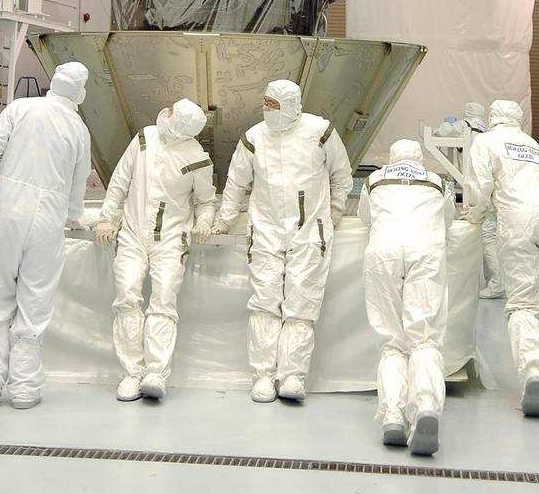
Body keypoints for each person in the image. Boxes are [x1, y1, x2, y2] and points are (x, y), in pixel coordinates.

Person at [0, 60, 91, 410]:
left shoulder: (21, 107)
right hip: (48, 219)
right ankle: (25, 389)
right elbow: (78, 182)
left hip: (6, 212)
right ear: (79, 91)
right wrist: (74, 216)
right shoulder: (78, 128)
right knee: (34, 302)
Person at [213, 78, 352, 404]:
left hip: (309, 232)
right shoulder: (254, 137)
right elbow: (236, 182)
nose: (268, 111)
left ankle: (292, 376)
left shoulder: (319, 132)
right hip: (265, 230)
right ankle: (262, 376)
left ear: (292, 104)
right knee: (264, 303)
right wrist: (223, 220)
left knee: (302, 306)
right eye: (266, 104)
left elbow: (342, 174)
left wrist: (334, 210)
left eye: (275, 105)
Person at [94, 99, 215, 403]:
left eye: (172, 113)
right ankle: (132, 373)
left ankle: (155, 373)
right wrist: (107, 218)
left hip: (170, 239)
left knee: (163, 299)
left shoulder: (197, 158)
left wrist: (204, 220)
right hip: (133, 234)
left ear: (182, 126)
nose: (166, 113)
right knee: (127, 295)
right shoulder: (145, 138)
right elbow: (120, 181)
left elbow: (205, 200)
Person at [464, 99, 539, 417]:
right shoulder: (530, 142)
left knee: (522, 304)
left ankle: (533, 373)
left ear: (492, 117)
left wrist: (472, 218)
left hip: (518, 220)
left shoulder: (485, 140)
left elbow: (479, 188)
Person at [358, 139, 453, 457]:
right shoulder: (438, 181)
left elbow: (364, 218)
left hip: (383, 253)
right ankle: (426, 406)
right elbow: (448, 221)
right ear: (419, 159)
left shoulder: (374, 180)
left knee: (392, 341)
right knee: (424, 338)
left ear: (392, 158)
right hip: (425, 253)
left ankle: (393, 417)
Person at [462, 102, 505, 300]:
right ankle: (493, 282)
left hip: (485, 197)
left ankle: (497, 283)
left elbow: (481, 178)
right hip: (495, 195)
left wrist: (478, 205)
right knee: (492, 239)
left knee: (488, 239)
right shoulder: (487, 134)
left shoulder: (468, 130)